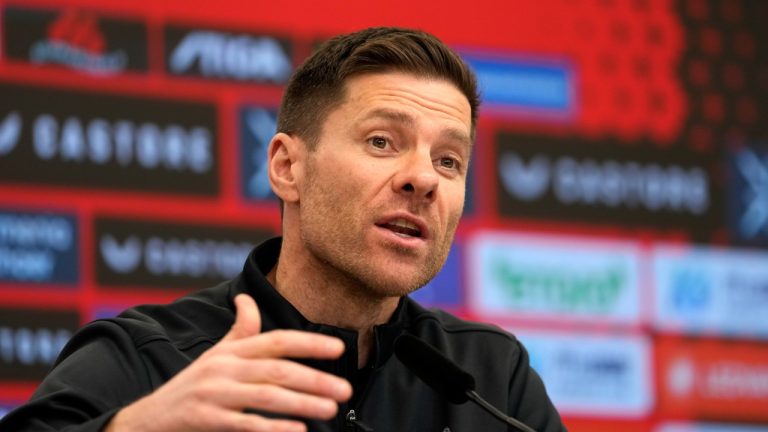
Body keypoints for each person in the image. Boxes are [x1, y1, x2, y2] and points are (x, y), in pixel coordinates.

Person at [0, 27, 566, 432]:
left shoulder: (491, 378)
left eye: (449, 161)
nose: (423, 179)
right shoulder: (154, 357)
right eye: (381, 142)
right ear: (287, 168)